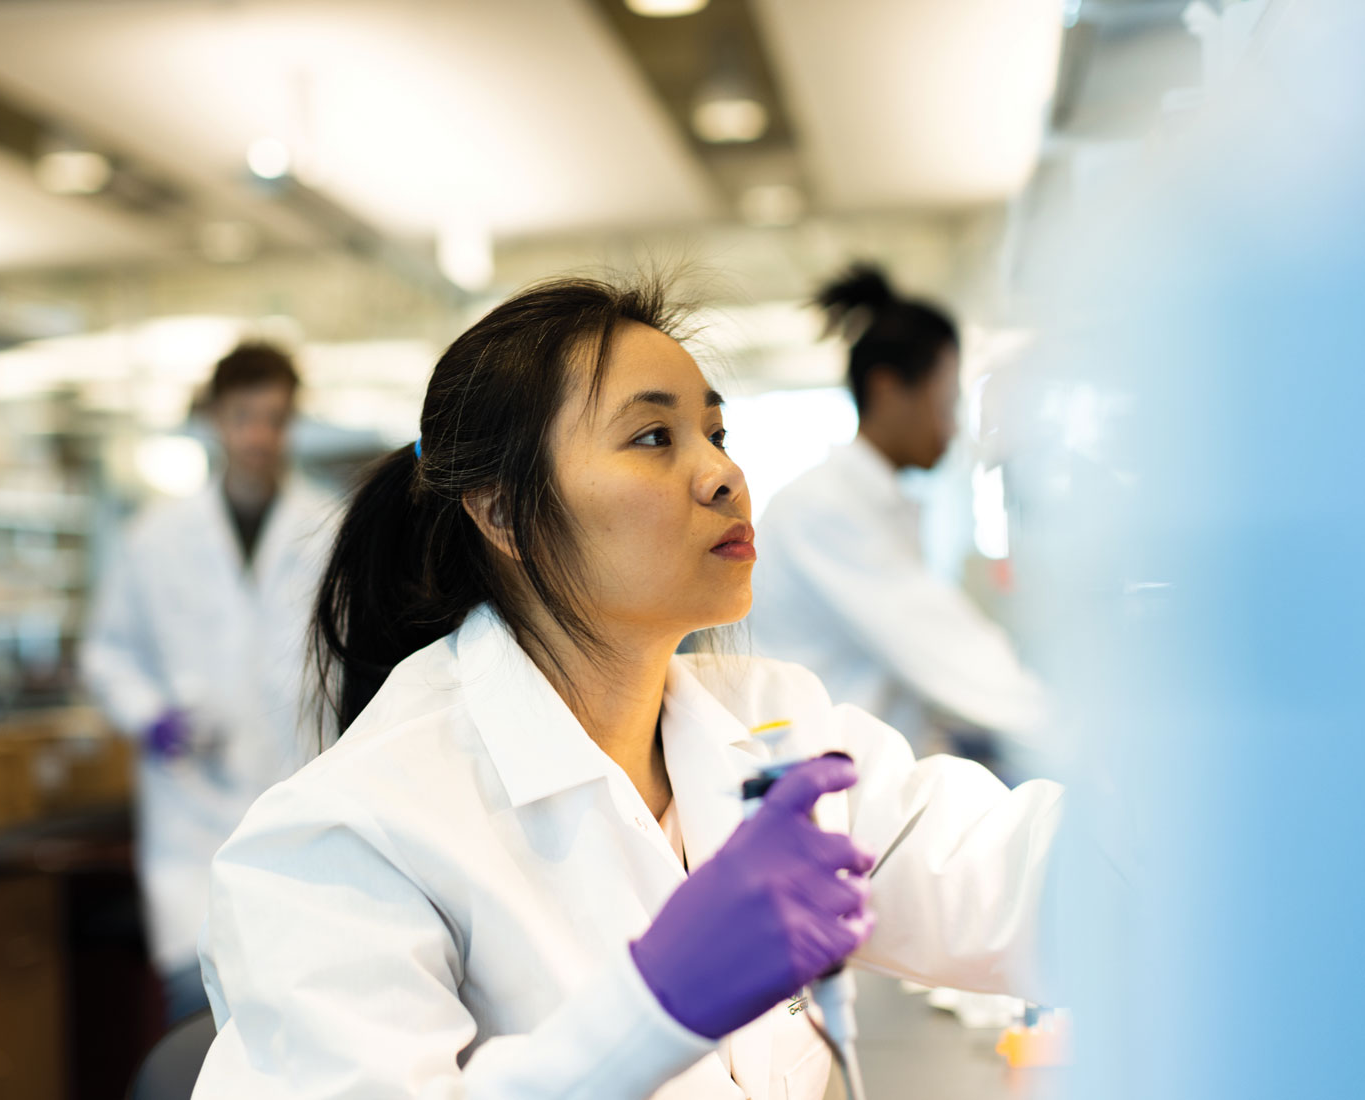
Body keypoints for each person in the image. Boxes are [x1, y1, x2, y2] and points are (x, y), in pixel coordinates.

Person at [191, 278, 1062, 1099]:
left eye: (716, 435)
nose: (724, 476)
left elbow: (1017, 882)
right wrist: (651, 1010)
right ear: (501, 513)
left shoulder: (771, 722)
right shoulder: (344, 840)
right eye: (654, 438)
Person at [81, 342, 336, 1023]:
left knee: (302, 1018)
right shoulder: (155, 538)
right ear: (215, 419)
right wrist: (149, 716)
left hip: (303, 806)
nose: (258, 436)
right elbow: (107, 654)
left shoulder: (331, 529)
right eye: (244, 416)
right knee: (199, 1017)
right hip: (192, 819)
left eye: (275, 418)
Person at [747, 264, 1046, 758]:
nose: (952, 431)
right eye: (946, 405)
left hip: (869, 767)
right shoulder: (823, 508)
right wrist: (1073, 729)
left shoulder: (872, 501)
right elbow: (946, 646)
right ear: (887, 391)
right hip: (821, 781)